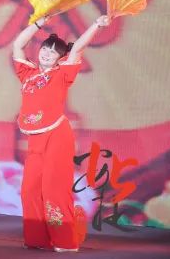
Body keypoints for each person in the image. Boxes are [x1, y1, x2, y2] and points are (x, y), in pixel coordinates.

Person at [12, 14, 110, 252]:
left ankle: (65, 241)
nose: (47, 53)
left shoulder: (62, 74)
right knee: (29, 190)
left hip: (57, 136)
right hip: (35, 140)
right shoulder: (28, 74)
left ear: (60, 58)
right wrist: (38, 23)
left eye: (53, 52)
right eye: (45, 49)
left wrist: (96, 25)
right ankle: (37, 239)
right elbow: (18, 45)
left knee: (54, 189)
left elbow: (78, 48)